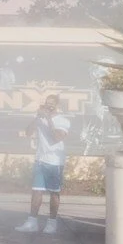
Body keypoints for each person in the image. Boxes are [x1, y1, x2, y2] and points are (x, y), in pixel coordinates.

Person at [22, 94, 71, 234]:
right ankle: (32, 222)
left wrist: (48, 119)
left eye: (52, 103)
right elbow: (28, 132)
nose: (49, 105)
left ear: (57, 106)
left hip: (55, 162)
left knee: (54, 193)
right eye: (47, 103)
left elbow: (56, 138)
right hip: (40, 159)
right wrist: (37, 118)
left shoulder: (63, 120)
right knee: (36, 191)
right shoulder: (40, 119)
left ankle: (52, 222)